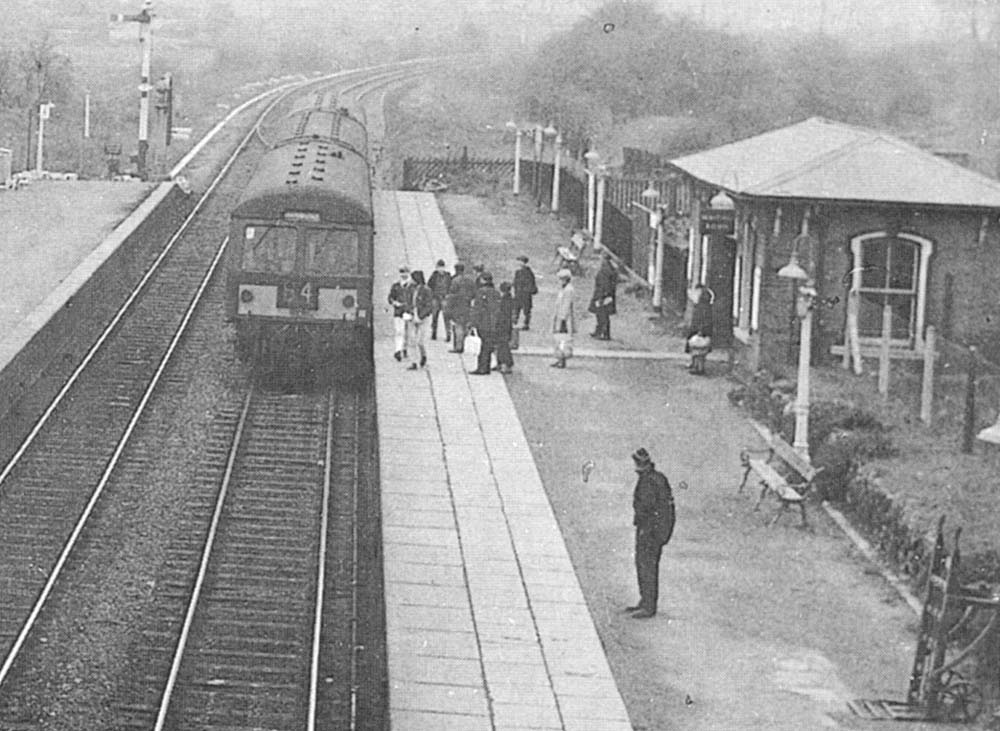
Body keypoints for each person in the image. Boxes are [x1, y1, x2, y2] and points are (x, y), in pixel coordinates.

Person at [626, 447, 675, 619]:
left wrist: (643, 529)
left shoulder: (648, 482)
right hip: (657, 531)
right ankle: (645, 600)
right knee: (646, 565)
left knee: (646, 565)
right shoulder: (657, 478)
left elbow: (646, 509)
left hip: (649, 531)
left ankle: (648, 605)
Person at [468, 272, 502, 375]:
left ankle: (482, 367)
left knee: (484, 346)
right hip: (494, 323)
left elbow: (477, 309)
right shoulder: (496, 293)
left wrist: (472, 323)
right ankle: (486, 366)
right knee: (488, 345)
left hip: (483, 323)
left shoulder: (481, 292)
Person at [445, 262, 477, 354]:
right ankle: (464, 344)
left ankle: (458, 347)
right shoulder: (470, 280)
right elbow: (474, 293)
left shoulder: (455, 281)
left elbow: (451, 294)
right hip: (467, 305)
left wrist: (449, 307)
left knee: (458, 326)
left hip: (457, 305)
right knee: (465, 325)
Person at [406, 270, 434, 370]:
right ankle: (413, 361)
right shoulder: (410, 288)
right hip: (412, 315)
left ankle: (423, 355)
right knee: (412, 339)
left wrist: (421, 316)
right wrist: (409, 312)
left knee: (420, 341)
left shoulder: (426, 290)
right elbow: (408, 301)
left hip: (423, 316)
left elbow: (429, 305)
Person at [589, 254, 618, 340]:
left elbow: (604, 285)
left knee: (602, 314)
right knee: (602, 314)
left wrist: (601, 296)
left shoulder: (605, 271)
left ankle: (602, 333)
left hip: (603, 296)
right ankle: (601, 332)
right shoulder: (609, 269)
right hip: (605, 295)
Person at [686, 285, 714, 375]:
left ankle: (698, 367)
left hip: (699, 330)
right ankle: (696, 366)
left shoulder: (702, 308)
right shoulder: (703, 307)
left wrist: (700, 330)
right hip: (700, 330)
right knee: (698, 350)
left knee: (698, 350)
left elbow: (702, 319)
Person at [551, 268, 576, 368]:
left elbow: (566, 305)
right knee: (559, 339)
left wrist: (562, 318)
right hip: (560, 318)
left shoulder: (568, 290)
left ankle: (562, 358)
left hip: (564, 320)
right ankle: (559, 358)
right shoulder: (563, 289)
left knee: (563, 340)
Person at [388, 266, 412, 361]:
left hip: (408, 311)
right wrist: (394, 303)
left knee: (407, 332)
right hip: (398, 312)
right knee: (399, 331)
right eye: (402, 273)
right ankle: (398, 350)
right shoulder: (396, 286)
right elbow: (390, 297)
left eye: (405, 273)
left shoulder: (412, 286)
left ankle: (404, 348)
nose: (404, 275)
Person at [427, 259, 452, 341]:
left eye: (442, 267)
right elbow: (429, 286)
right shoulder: (434, 276)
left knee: (446, 317)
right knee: (434, 316)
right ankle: (434, 332)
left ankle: (448, 334)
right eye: (439, 267)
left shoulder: (448, 276)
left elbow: (451, 287)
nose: (441, 269)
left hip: (445, 298)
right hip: (435, 298)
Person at [494, 281, 516, 374]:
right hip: (506, 325)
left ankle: (506, 364)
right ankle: (501, 363)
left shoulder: (505, 300)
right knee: (501, 345)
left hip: (503, 325)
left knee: (503, 345)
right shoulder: (509, 299)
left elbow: (502, 314)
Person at [513, 255, 538, 330]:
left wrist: (526, 291)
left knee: (526, 310)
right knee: (516, 308)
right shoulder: (518, 272)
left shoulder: (528, 272)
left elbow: (531, 283)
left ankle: (526, 324)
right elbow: (515, 282)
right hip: (518, 294)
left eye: (520, 261)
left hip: (525, 294)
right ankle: (514, 322)